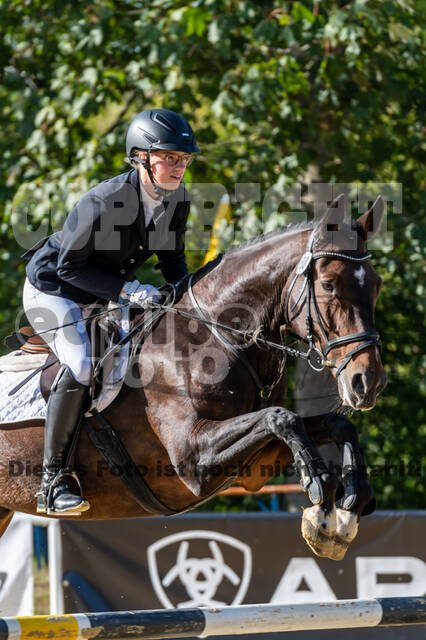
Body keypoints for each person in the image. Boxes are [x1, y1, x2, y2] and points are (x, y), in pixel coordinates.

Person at [22, 108, 200, 515]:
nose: (178, 166)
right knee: (83, 364)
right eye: (169, 157)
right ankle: (53, 481)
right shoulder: (106, 200)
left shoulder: (177, 201)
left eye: (183, 159)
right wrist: (129, 291)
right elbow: (68, 268)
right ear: (140, 157)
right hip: (53, 289)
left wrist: (190, 300)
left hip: (105, 292)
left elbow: (173, 263)